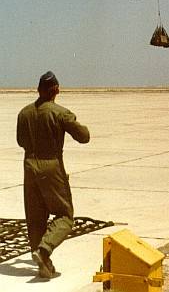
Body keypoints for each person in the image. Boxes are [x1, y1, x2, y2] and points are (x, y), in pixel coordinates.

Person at [16, 71, 90, 278]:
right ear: (55, 90)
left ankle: (44, 263)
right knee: (65, 215)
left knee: (35, 217)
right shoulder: (60, 113)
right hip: (51, 166)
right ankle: (44, 249)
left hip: (29, 166)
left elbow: (21, 141)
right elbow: (84, 137)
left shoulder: (24, 113)